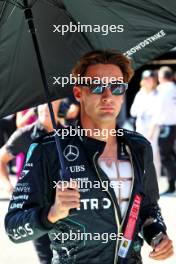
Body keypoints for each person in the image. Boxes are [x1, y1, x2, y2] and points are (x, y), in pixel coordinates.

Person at [4, 50, 173, 264]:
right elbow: (13, 228)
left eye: (117, 87)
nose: (107, 95)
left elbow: (148, 208)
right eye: (97, 86)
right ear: (78, 92)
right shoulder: (46, 149)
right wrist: (51, 214)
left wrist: (157, 235)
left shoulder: (139, 147)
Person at [0, 100, 61, 264]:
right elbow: (1, 159)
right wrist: (7, 185)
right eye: (41, 107)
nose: (45, 109)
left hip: (62, 207)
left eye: (50, 106)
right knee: (47, 259)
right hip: (35, 208)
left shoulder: (68, 135)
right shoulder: (26, 134)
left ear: (59, 108)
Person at [148, 66, 176, 194]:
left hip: (165, 127)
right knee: (171, 155)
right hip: (173, 126)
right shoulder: (174, 88)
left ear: (160, 77)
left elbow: (157, 111)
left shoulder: (161, 90)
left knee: (166, 156)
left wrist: (152, 129)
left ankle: (171, 186)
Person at [130, 70, 161, 177]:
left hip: (152, 128)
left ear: (154, 81)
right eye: (146, 79)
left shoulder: (157, 94)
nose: (148, 81)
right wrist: (142, 109)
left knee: (153, 154)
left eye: (150, 79)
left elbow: (157, 115)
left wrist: (151, 131)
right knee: (140, 153)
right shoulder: (140, 94)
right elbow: (133, 112)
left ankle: (154, 179)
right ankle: (143, 180)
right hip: (140, 127)